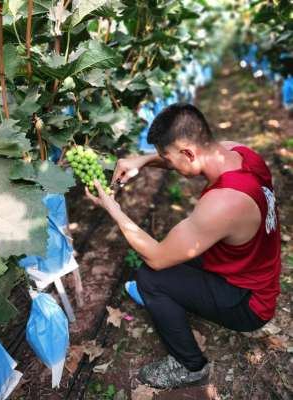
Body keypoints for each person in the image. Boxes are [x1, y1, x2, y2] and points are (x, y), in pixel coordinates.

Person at [85, 103, 281, 389]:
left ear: (189, 153)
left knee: (150, 277)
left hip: (249, 303)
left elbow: (156, 258)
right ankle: (179, 300)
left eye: (169, 157)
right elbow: (180, 157)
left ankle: (189, 366)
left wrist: (112, 207)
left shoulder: (223, 205)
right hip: (250, 269)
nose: (168, 163)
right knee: (177, 250)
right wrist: (142, 160)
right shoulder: (238, 152)